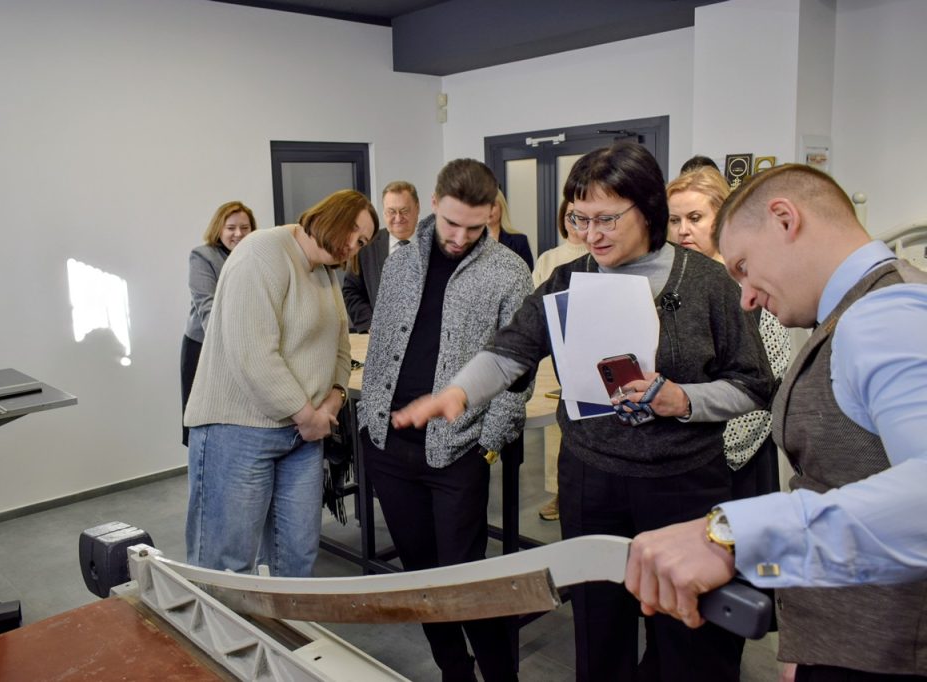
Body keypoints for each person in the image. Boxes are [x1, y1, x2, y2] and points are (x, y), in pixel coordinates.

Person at [393, 142, 773, 681]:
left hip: (682, 485)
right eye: (579, 218)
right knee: (598, 630)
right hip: (591, 480)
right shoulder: (567, 279)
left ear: (647, 209)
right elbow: (511, 349)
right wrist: (458, 393)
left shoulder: (709, 284)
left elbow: (753, 386)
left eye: (605, 219)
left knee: (688, 636)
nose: (590, 234)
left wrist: (685, 399)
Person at [626, 164, 927, 681]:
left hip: (888, 650)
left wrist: (730, 535)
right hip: (848, 637)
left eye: (744, 267)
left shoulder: (885, 314)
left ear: (785, 220)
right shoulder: (861, 309)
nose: (745, 296)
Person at [358, 159, 532, 682]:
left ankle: (501, 677)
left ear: (492, 213)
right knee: (420, 578)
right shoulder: (401, 262)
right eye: (452, 223)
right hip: (390, 446)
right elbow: (382, 344)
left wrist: (489, 443)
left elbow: (520, 366)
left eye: (474, 227)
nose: (459, 237)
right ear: (434, 204)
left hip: (457, 452)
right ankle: (454, 671)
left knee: (465, 584)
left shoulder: (508, 271)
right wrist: (369, 419)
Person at [184, 189, 376, 577]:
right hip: (239, 431)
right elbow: (253, 355)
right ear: (329, 216)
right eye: (353, 232)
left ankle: (285, 621)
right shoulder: (261, 253)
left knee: (296, 560)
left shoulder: (324, 270)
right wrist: (307, 415)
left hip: (302, 436)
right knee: (227, 566)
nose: (353, 245)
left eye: (362, 242)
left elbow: (340, 345)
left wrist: (334, 400)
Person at [668, 168, 791, 500]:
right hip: (680, 453)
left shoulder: (753, 283)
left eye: (695, 218)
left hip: (740, 455)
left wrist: (720, 449)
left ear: (722, 219)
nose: (683, 230)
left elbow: (767, 380)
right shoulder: (669, 287)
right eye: (674, 220)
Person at [531, 198, 590, 521]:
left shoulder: (600, 254)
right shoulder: (550, 259)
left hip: (588, 353)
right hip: (555, 353)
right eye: (570, 216)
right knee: (556, 426)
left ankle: (584, 491)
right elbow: (534, 303)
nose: (576, 222)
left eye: (582, 216)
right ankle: (558, 492)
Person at [180, 201, 256, 446]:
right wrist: (236, 343)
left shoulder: (256, 256)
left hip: (245, 346)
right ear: (219, 229)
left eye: (245, 228)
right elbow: (207, 307)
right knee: (204, 423)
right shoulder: (203, 256)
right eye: (231, 228)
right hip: (205, 345)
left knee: (238, 420)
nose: (238, 234)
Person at [342, 181, 419, 332]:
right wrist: (371, 324)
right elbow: (351, 291)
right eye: (391, 211)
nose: (398, 218)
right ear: (383, 212)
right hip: (382, 337)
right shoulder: (365, 245)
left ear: (417, 208)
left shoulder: (438, 246)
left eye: (404, 211)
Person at [487, 189, 534, 271]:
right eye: (484, 205)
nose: (488, 210)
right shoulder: (470, 242)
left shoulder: (519, 241)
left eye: (493, 205)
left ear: (502, 208)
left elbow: (527, 274)